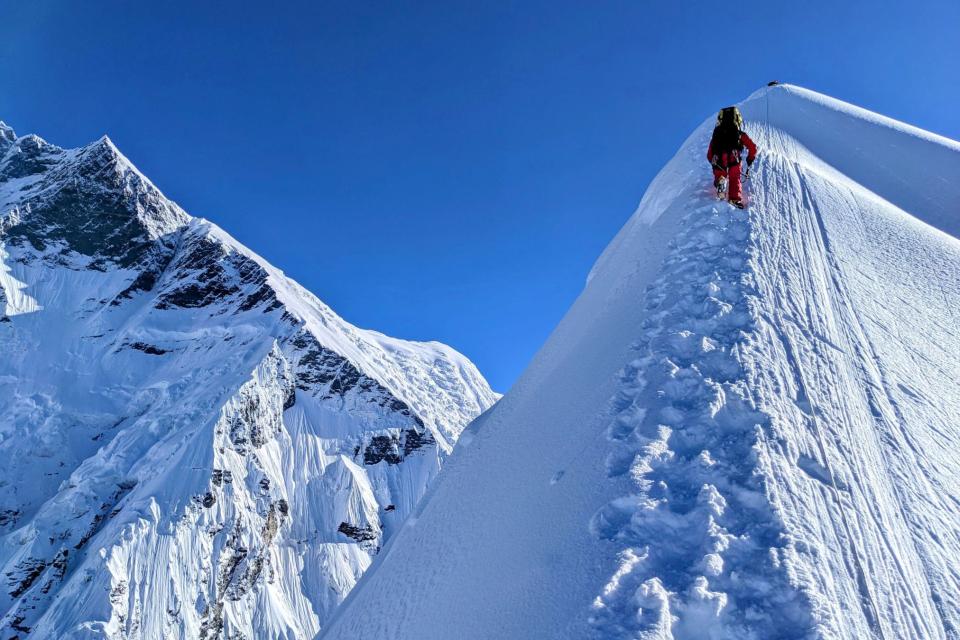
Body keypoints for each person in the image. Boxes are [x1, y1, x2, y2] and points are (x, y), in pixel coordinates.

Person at [707, 106, 757, 208]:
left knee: (720, 174)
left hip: (719, 158)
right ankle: (734, 199)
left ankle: (720, 182)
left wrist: (713, 163)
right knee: (735, 178)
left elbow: (709, 154)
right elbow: (753, 147)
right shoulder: (739, 134)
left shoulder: (717, 135)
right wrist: (750, 158)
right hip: (734, 158)